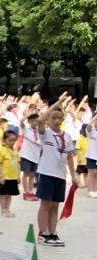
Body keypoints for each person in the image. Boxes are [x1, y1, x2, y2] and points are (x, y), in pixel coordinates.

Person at [35, 105, 75, 247]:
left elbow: (69, 157)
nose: (57, 121)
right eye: (53, 118)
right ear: (48, 119)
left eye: (60, 118)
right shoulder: (45, 132)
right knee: (45, 204)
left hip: (61, 175)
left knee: (55, 205)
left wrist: (73, 175)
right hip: (47, 173)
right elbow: (39, 120)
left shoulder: (67, 136)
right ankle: (42, 233)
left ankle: (52, 233)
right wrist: (53, 106)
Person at [0, 129, 20, 219]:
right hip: (5, 177)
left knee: (9, 194)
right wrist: (1, 176)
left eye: (14, 140)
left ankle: (7, 209)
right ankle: (3, 210)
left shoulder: (15, 150)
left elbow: (18, 164)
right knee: (3, 194)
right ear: (4, 140)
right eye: (10, 140)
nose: (12, 142)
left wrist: (18, 176)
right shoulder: (1, 150)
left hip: (13, 177)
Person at [19, 112, 41, 200]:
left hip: (35, 156)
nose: (35, 123)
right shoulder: (26, 129)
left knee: (32, 175)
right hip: (26, 155)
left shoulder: (40, 131)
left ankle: (31, 191)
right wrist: (30, 113)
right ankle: (25, 191)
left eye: (37, 121)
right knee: (26, 173)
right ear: (30, 122)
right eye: (33, 121)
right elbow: (21, 121)